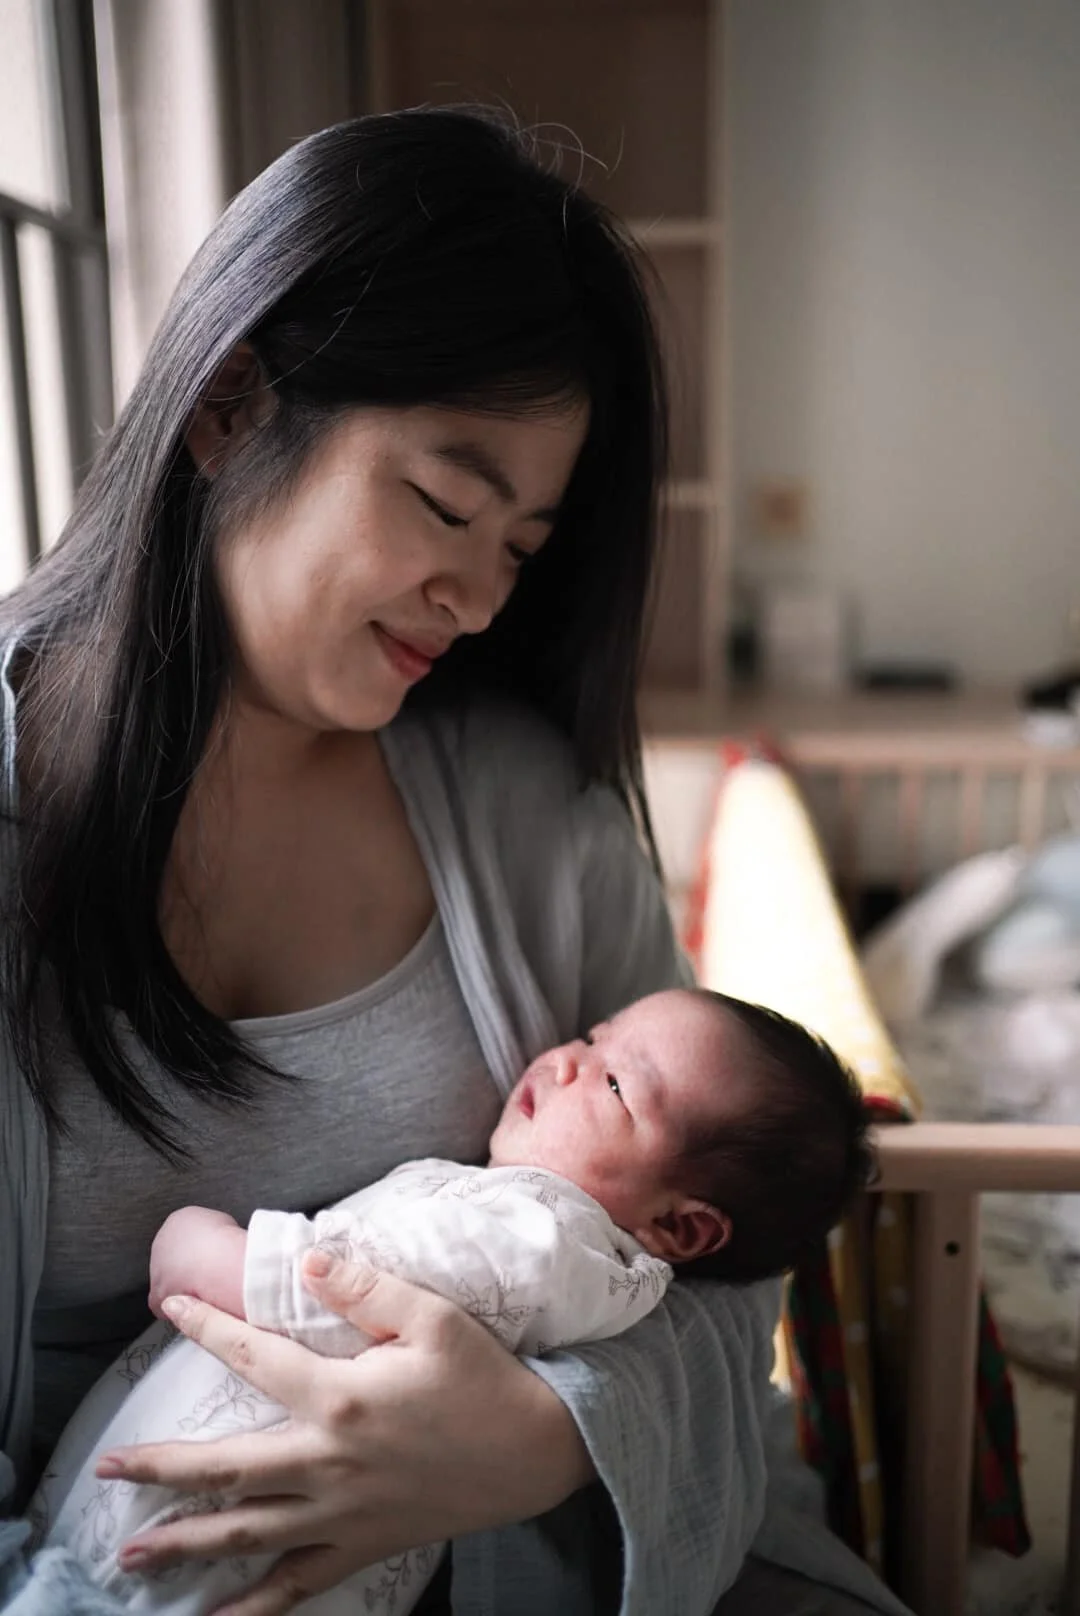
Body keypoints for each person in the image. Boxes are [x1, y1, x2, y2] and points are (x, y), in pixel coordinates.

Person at [0, 107, 908, 1616]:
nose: (476, 599)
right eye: (442, 504)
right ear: (230, 403)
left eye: (523, 548)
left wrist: (544, 1441)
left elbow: (722, 1261)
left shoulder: (523, 813)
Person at [31, 987, 871, 1616]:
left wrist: (200, 1245)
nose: (568, 1060)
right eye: (592, 1037)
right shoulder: (559, 1243)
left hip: (171, 1564)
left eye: (616, 1086)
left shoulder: (539, 1235)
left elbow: (329, 1289)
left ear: (682, 1228)